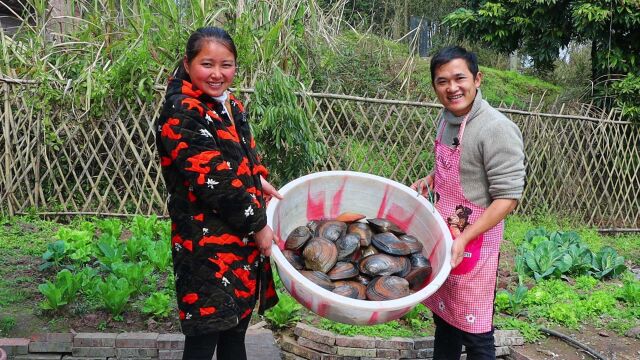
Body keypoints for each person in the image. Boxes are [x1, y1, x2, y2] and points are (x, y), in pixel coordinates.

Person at [155, 26, 280, 360]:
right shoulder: (182, 112)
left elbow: (238, 157)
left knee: (235, 330)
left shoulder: (228, 104)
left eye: (226, 65)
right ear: (188, 63)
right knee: (204, 337)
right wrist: (259, 225)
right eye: (207, 64)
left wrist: (258, 180)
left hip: (237, 243)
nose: (217, 74)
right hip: (206, 245)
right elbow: (219, 184)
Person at [411, 46, 525, 360]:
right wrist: (430, 179)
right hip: (444, 234)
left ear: (477, 79)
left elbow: (508, 197)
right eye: (442, 81)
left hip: (474, 243)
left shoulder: (497, 128)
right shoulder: (447, 119)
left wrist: (464, 237)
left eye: (459, 78)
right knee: (444, 317)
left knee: (476, 331)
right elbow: (457, 167)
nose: (452, 87)